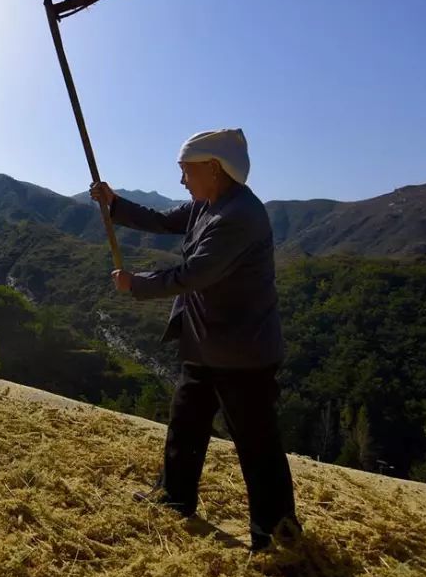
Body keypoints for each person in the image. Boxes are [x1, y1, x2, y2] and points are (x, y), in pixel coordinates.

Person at [89, 128, 299, 551]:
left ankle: (276, 534)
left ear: (213, 169)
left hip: (242, 352)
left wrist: (136, 284)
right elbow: (164, 220)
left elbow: (193, 275)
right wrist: (114, 204)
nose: (182, 180)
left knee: (257, 443)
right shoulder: (209, 205)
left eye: (186, 171)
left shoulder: (237, 216)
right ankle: (174, 497)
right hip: (206, 342)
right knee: (185, 422)